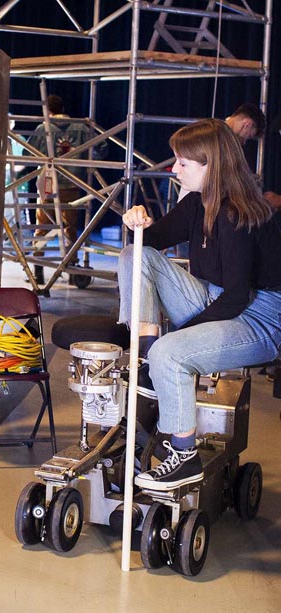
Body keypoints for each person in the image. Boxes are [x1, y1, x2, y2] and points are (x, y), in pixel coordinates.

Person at [117, 119, 279, 491]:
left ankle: (184, 457)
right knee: (134, 253)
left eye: (183, 163)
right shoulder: (198, 202)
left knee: (171, 353)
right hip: (216, 294)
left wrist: (175, 339)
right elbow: (152, 240)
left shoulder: (238, 213)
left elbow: (239, 296)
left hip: (262, 316)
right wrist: (136, 221)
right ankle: (145, 358)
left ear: (213, 165)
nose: (174, 169)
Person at [26, 95, 107, 284]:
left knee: (42, 227)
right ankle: (71, 269)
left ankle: (37, 271)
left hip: (47, 183)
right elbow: (102, 147)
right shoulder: (81, 127)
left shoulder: (43, 128)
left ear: (48, 111)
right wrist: (85, 160)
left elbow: (26, 152)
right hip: (73, 181)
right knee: (69, 228)